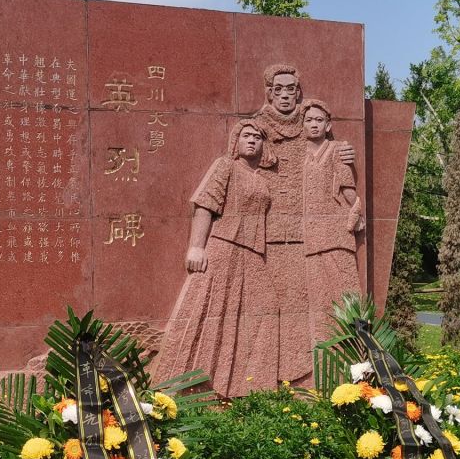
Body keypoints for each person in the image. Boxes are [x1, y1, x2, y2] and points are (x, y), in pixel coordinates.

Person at [153, 120, 279, 398]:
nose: (252, 141)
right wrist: (196, 247)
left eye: (257, 137)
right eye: (246, 135)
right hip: (224, 247)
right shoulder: (225, 166)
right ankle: (189, 386)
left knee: (266, 309)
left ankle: (245, 387)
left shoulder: (262, 179)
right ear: (236, 141)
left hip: (253, 252)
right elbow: (205, 205)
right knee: (212, 312)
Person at [253, 64, 357, 386]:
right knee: (276, 304)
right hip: (271, 230)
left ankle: (310, 374)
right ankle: (274, 374)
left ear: (298, 93)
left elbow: (331, 157)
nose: (285, 96)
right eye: (278, 90)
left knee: (311, 305)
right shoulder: (257, 128)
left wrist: (342, 150)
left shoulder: (311, 130)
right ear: (269, 93)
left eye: (291, 89)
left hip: (310, 235)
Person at [300, 98, 365, 345]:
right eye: (309, 120)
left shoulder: (337, 150)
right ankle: (323, 347)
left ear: (328, 125)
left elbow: (347, 187)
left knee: (346, 290)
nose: (314, 124)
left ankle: (357, 345)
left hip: (337, 234)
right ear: (302, 125)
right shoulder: (300, 155)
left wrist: (356, 211)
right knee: (318, 297)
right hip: (312, 237)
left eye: (319, 120)